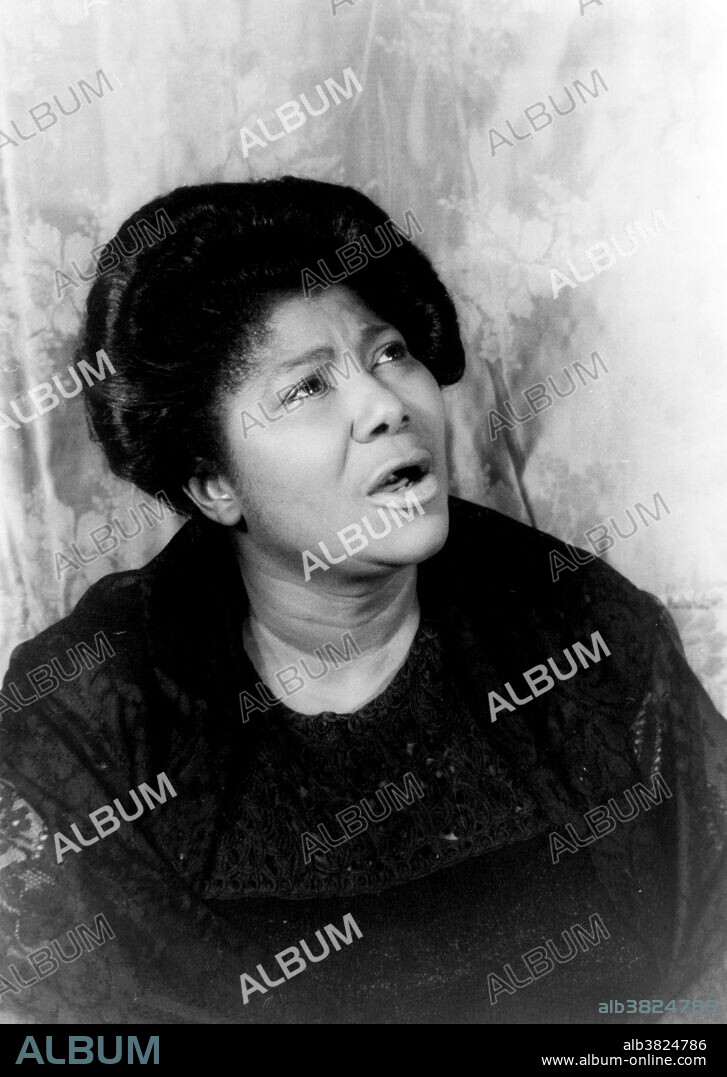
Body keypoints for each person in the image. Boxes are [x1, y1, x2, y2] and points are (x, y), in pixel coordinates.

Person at [0, 177, 724, 1024]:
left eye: (389, 352)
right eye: (307, 389)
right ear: (212, 481)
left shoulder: (583, 630)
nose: (387, 404)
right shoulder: (89, 719)